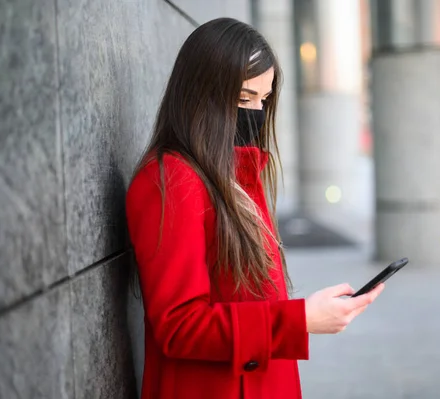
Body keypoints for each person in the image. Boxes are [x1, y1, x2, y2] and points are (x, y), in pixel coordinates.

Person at [125, 17, 384, 399]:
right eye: (244, 99)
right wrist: (299, 320)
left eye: (263, 99)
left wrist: (304, 314)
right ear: (202, 95)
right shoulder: (170, 180)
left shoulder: (236, 173)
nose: (257, 113)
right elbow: (179, 326)